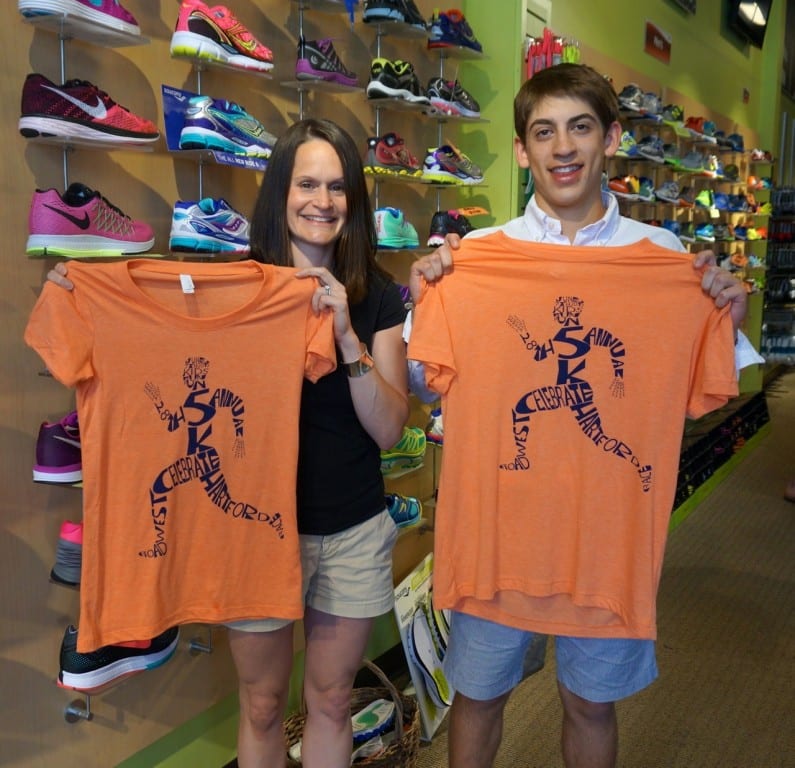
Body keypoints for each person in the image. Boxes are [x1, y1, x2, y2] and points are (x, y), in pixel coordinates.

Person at [405, 63, 761, 768]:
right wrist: (427, 300)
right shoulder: (472, 261)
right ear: (521, 150)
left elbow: (700, 379)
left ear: (610, 139)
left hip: (606, 544)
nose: (562, 147)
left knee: (589, 705)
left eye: (579, 127)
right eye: (544, 132)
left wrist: (718, 314)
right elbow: (424, 384)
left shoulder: (666, 265)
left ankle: (616, 454)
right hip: (495, 542)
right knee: (475, 699)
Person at [46, 118, 410, 768]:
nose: (320, 201)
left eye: (335, 187)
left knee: (329, 699)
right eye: (305, 184)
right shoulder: (234, 288)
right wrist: (83, 298)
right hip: (256, 539)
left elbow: (387, 428)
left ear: (352, 199)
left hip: (351, 525)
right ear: (280, 192)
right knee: (263, 704)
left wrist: (348, 338)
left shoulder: (377, 296)